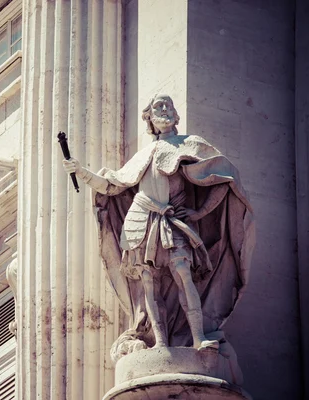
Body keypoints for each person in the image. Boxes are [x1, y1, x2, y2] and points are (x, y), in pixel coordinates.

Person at [63, 95, 255, 361]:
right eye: (157, 108)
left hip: (171, 221)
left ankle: (199, 337)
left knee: (184, 276)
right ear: (149, 119)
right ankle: (160, 343)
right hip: (140, 221)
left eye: (168, 107)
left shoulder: (189, 144)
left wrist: (201, 212)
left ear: (176, 116)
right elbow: (111, 185)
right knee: (148, 284)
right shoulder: (142, 155)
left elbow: (225, 178)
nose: (163, 111)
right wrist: (81, 171)